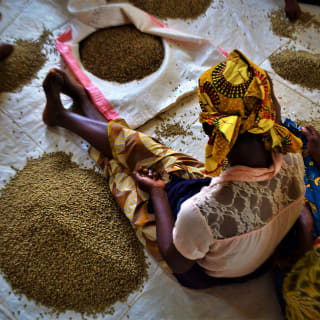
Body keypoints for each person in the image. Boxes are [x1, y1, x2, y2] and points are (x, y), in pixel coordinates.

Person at [42, 50, 305, 289]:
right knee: (158, 157)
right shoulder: (293, 151)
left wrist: (157, 194)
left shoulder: (202, 211)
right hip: (252, 254)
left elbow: (178, 261)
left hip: (203, 267)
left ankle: (67, 115)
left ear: (211, 130)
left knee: (125, 179)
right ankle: (76, 109)